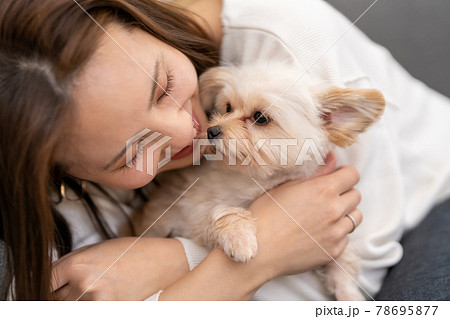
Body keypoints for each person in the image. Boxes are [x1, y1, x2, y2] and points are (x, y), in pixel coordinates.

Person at [0, 0, 448, 300]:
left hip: (432, 199)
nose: (190, 131)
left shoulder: (284, 43)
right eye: (132, 151)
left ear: (140, 20)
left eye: (163, 88)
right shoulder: (55, 206)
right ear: (62, 177)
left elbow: (359, 275)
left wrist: (182, 262)